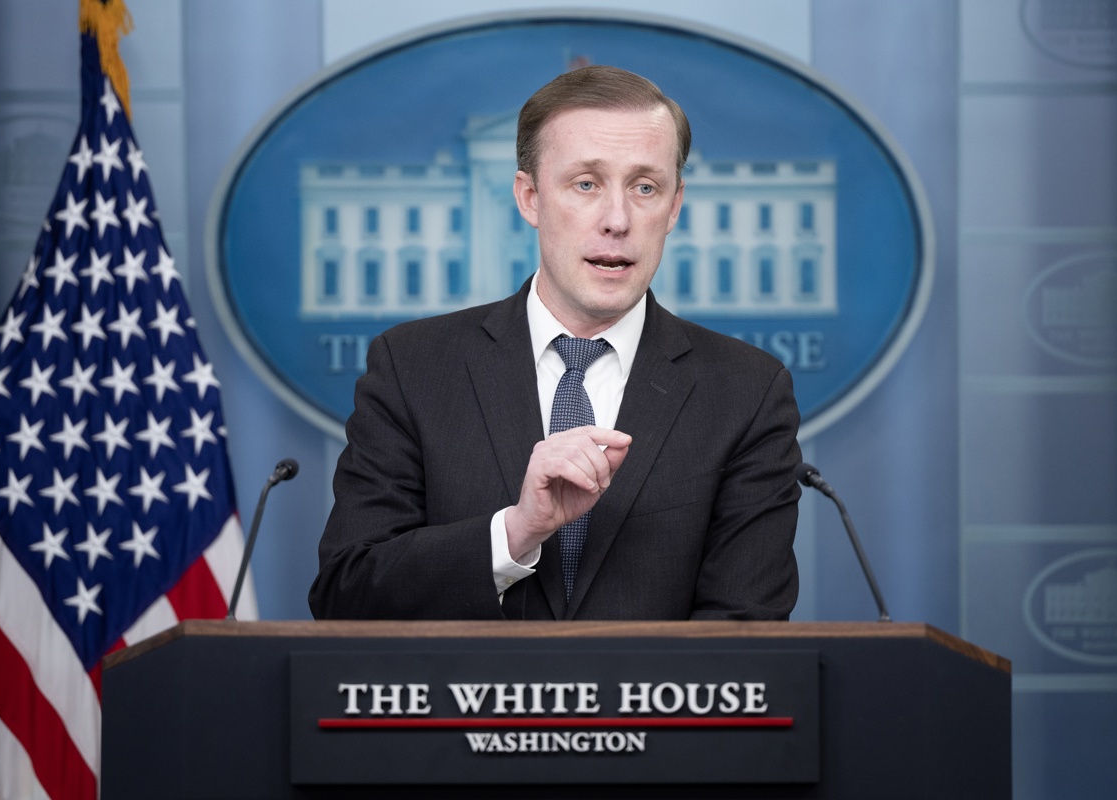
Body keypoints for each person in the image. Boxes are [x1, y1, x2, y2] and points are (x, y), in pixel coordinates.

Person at [309, 65, 802, 621]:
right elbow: (346, 595)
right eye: (586, 184)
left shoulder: (747, 391)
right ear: (529, 198)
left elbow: (746, 630)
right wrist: (515, 534)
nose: (617, 220)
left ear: (674, 206)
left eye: (645, 187)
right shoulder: (413, 368)